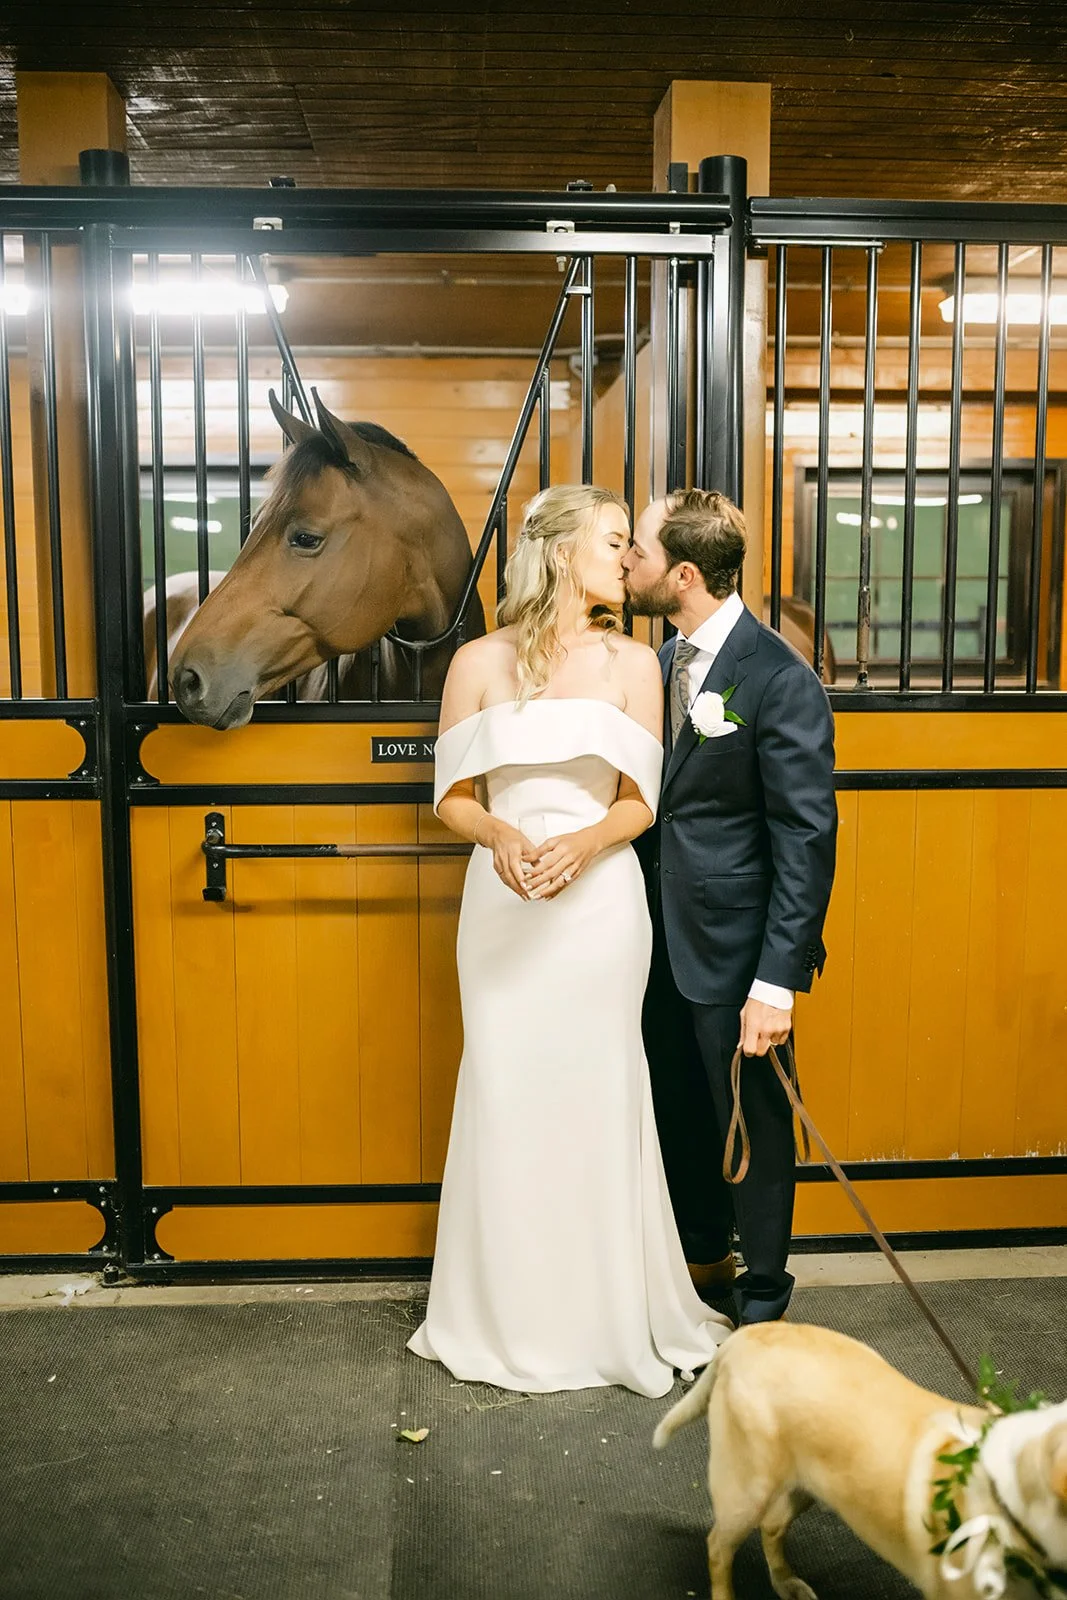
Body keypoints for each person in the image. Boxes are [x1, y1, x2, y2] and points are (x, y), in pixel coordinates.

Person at [407, 485, 731, 1396]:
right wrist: (504, 838)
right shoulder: (477, 660)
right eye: (615, 541)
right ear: (558, 551)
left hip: (598, 908)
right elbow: (451, 797)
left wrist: (583, 846)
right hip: (502, 905)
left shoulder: (636, 664)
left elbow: (640, 800)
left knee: (598, 1088)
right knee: (506, 1088)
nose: (629, 560)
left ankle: (607, 1311)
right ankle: (500, 1311)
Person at [623, 489, 837, 1327]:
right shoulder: (652, 662)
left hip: (736, 954)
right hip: (648, 943)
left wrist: (775, 984)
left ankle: (762, 1301)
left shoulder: (778, 676)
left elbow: (805, 838)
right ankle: (699, 1261)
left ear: (681, 574)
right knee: (677, 1109)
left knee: (754, 1123)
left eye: (635, 551)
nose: (625, 565)